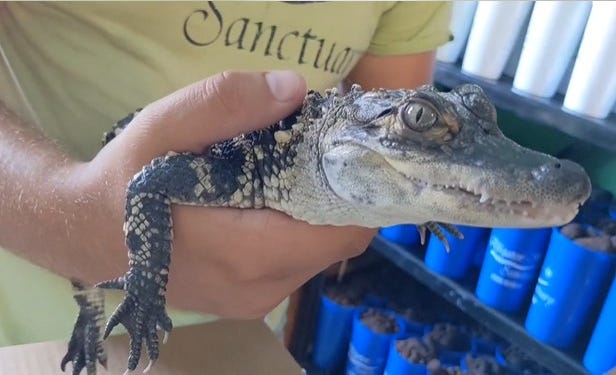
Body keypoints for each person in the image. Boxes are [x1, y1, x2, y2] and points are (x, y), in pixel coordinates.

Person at [0, 2, 452, 346]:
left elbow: (394, 134)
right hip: (22, 329)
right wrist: (76, 225)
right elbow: (150, 184)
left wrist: (417, 195)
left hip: (239, 339)